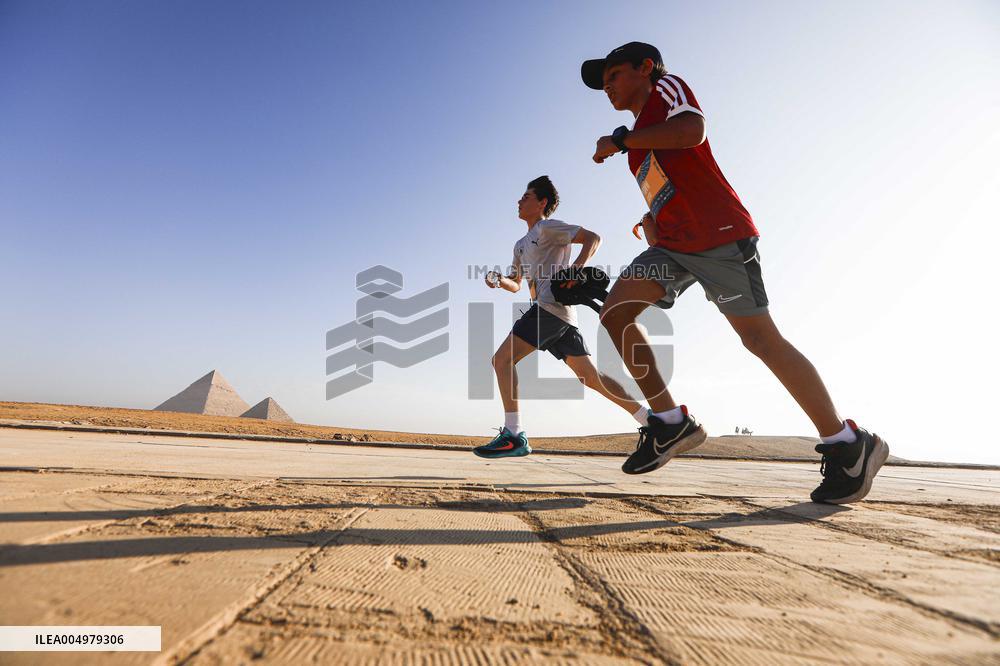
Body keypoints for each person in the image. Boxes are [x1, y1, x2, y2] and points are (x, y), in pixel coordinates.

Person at [580, 43, 889, 504]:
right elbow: (667, 184)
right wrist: (654, 221)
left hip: (720, 235)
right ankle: (668, 423)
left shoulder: (665, 89)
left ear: (645, 68)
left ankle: (849, 445)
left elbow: (692, 131)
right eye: (602, 83)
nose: (607, 87)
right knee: (615, 313)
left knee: (760, 340)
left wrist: (622, 139)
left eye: (614, 76)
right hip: (674, 243)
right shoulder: (638, 137)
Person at [473, 176, 650, 459]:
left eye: (527, 196)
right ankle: (648, 419)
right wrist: (498, 281)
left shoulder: (546, 228)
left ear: (542, 203)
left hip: (549, 309)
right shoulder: (520, 244)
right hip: (561, 316)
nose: (520, 201)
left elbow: (593, 238)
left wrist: (576, 270)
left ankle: (514, 434)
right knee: (589, 377)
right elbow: (516, 282)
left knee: (502, 359)